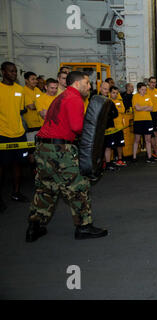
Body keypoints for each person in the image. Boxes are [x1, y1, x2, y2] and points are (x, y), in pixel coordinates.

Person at [26, 71, 108, 242]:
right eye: (87, 83)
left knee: (46, 188)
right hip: (59, 149)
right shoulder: (74, 98)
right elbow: (77, 127)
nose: (90, 87)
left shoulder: (61, 97)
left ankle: (35, 227)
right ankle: (84, 226)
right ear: (77, 84)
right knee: (78, 186)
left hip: (43, 148)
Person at [0, 61, 29, 212]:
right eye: (10, 71)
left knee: (18, 164)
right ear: (2, 72)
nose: (13, 74)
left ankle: (16, 193)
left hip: (19, 134)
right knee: (2, 166)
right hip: (2, 134)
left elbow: (19, 111)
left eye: (15, 71)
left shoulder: (20, 89)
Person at [132, 82, 155, 163]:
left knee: (148, 140)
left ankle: (149, 157)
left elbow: (151, 108)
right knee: (137, 140)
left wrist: (142, 107)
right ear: (139, 89)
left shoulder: (148, 97)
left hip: (148, 121)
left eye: (145, 89)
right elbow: (137, 108)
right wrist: (146, 107)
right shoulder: (135, 97)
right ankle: (134, 157)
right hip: (138, 121)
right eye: (142, 89)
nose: (144, 91)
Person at [103, 86, 126, 170]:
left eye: (117, 93)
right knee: (109, 145)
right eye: (113, 93)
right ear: (109, 93)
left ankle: (120, 159)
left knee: (120, 144)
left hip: (119, 127)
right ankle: (109, 161)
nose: (115, 95)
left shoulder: (120, 101)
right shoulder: (107, 102)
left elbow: (122, 110)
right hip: (110, 128)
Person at [23, 72, 44, 145]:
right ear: (26, 80)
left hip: (41, 123)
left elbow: (44, 102)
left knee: (40, 147)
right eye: (33, 79)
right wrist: (39, 104)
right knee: (32, 147)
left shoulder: (37, 90)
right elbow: (31, 106)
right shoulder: (23, 91)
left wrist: (37, 104)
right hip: (31, 125)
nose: (36, 81)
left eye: (36, 79)